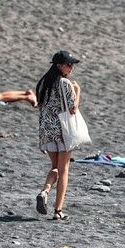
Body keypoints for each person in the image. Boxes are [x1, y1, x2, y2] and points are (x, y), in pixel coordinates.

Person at [35, 50, 82, 220]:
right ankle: (58, 211)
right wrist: (78, 91)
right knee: (64, 170)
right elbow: (73, 109)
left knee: (55, 167)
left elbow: (39, 107)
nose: (71, 67)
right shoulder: (65, 84)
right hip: (63, 131)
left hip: (47, 131)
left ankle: (45, 191)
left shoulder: (43, 83)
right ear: (59, 66)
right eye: (69, 64)